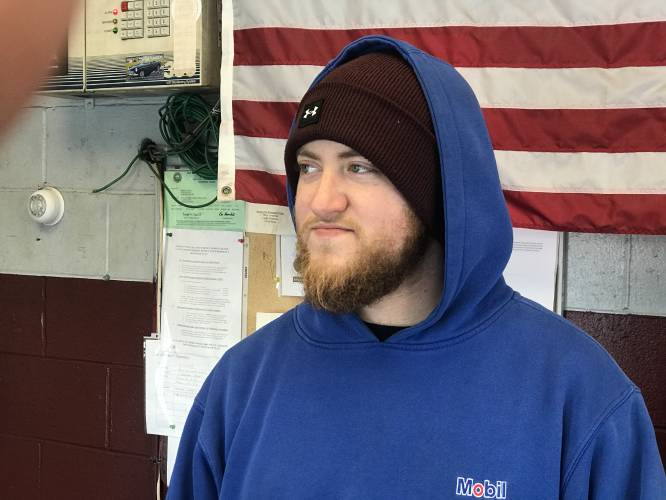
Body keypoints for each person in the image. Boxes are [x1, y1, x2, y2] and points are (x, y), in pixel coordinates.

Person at [167, 35, 666, 499]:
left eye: (358, 167)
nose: (320, 200)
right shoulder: (241, 384)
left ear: (439, 192)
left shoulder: (578, 395)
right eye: (308, 167)